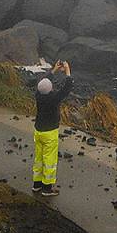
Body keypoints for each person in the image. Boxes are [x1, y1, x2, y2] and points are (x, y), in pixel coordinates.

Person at [32, 59, 73, 196]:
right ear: (50, 89)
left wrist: (54, 70)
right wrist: (67, 71)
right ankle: (47, 188)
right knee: (49, 160)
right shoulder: (54, 98)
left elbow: (43, 81)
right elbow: (66, 88)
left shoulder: (38, 95)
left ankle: (37, 185)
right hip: (50, 133)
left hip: (38, 131)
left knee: (39, 159)